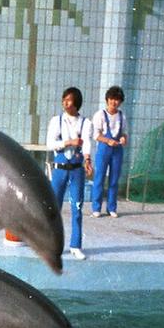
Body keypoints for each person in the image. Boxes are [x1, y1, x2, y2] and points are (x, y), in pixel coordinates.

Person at [46, 87, 93, 260]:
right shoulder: (56, 121)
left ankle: (76, 245)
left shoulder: (85, 123)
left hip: (76, 171)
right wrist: (69, 142)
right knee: (54, 209)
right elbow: (51, 143)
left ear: (77, 102)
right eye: (64, 99)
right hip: (59, 170)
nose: (65, 102)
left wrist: (88, 159)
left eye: (69, 100)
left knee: (77, 208)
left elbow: (87, 143)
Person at [91, 86, 128, 218]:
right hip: (103, 149)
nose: (114, 102)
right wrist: (107, 141)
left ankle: (111, 208)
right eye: (112, 99)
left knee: (114, 179)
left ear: (120, 102)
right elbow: (96, 135)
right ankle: (96, 208)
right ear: (107, 100)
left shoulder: (122, 116)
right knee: (99, 178)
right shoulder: (100, 115)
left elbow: (124, 133)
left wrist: (123, 138)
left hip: (117, 150)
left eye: (117, 100)